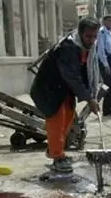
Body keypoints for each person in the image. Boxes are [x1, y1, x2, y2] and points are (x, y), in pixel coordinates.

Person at [29, 16, 103, 174]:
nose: (91, 40)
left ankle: (56, 152)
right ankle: (57, 157)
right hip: (49, 89)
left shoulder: (87, 48)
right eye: (88, 36)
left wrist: (92, 93)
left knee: (68, 118)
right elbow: (72, 76)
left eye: (94, 36)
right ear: (80, 33)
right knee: (57, 121)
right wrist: (89, 99)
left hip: (64, 88)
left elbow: (84, 72)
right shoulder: (68, 47)